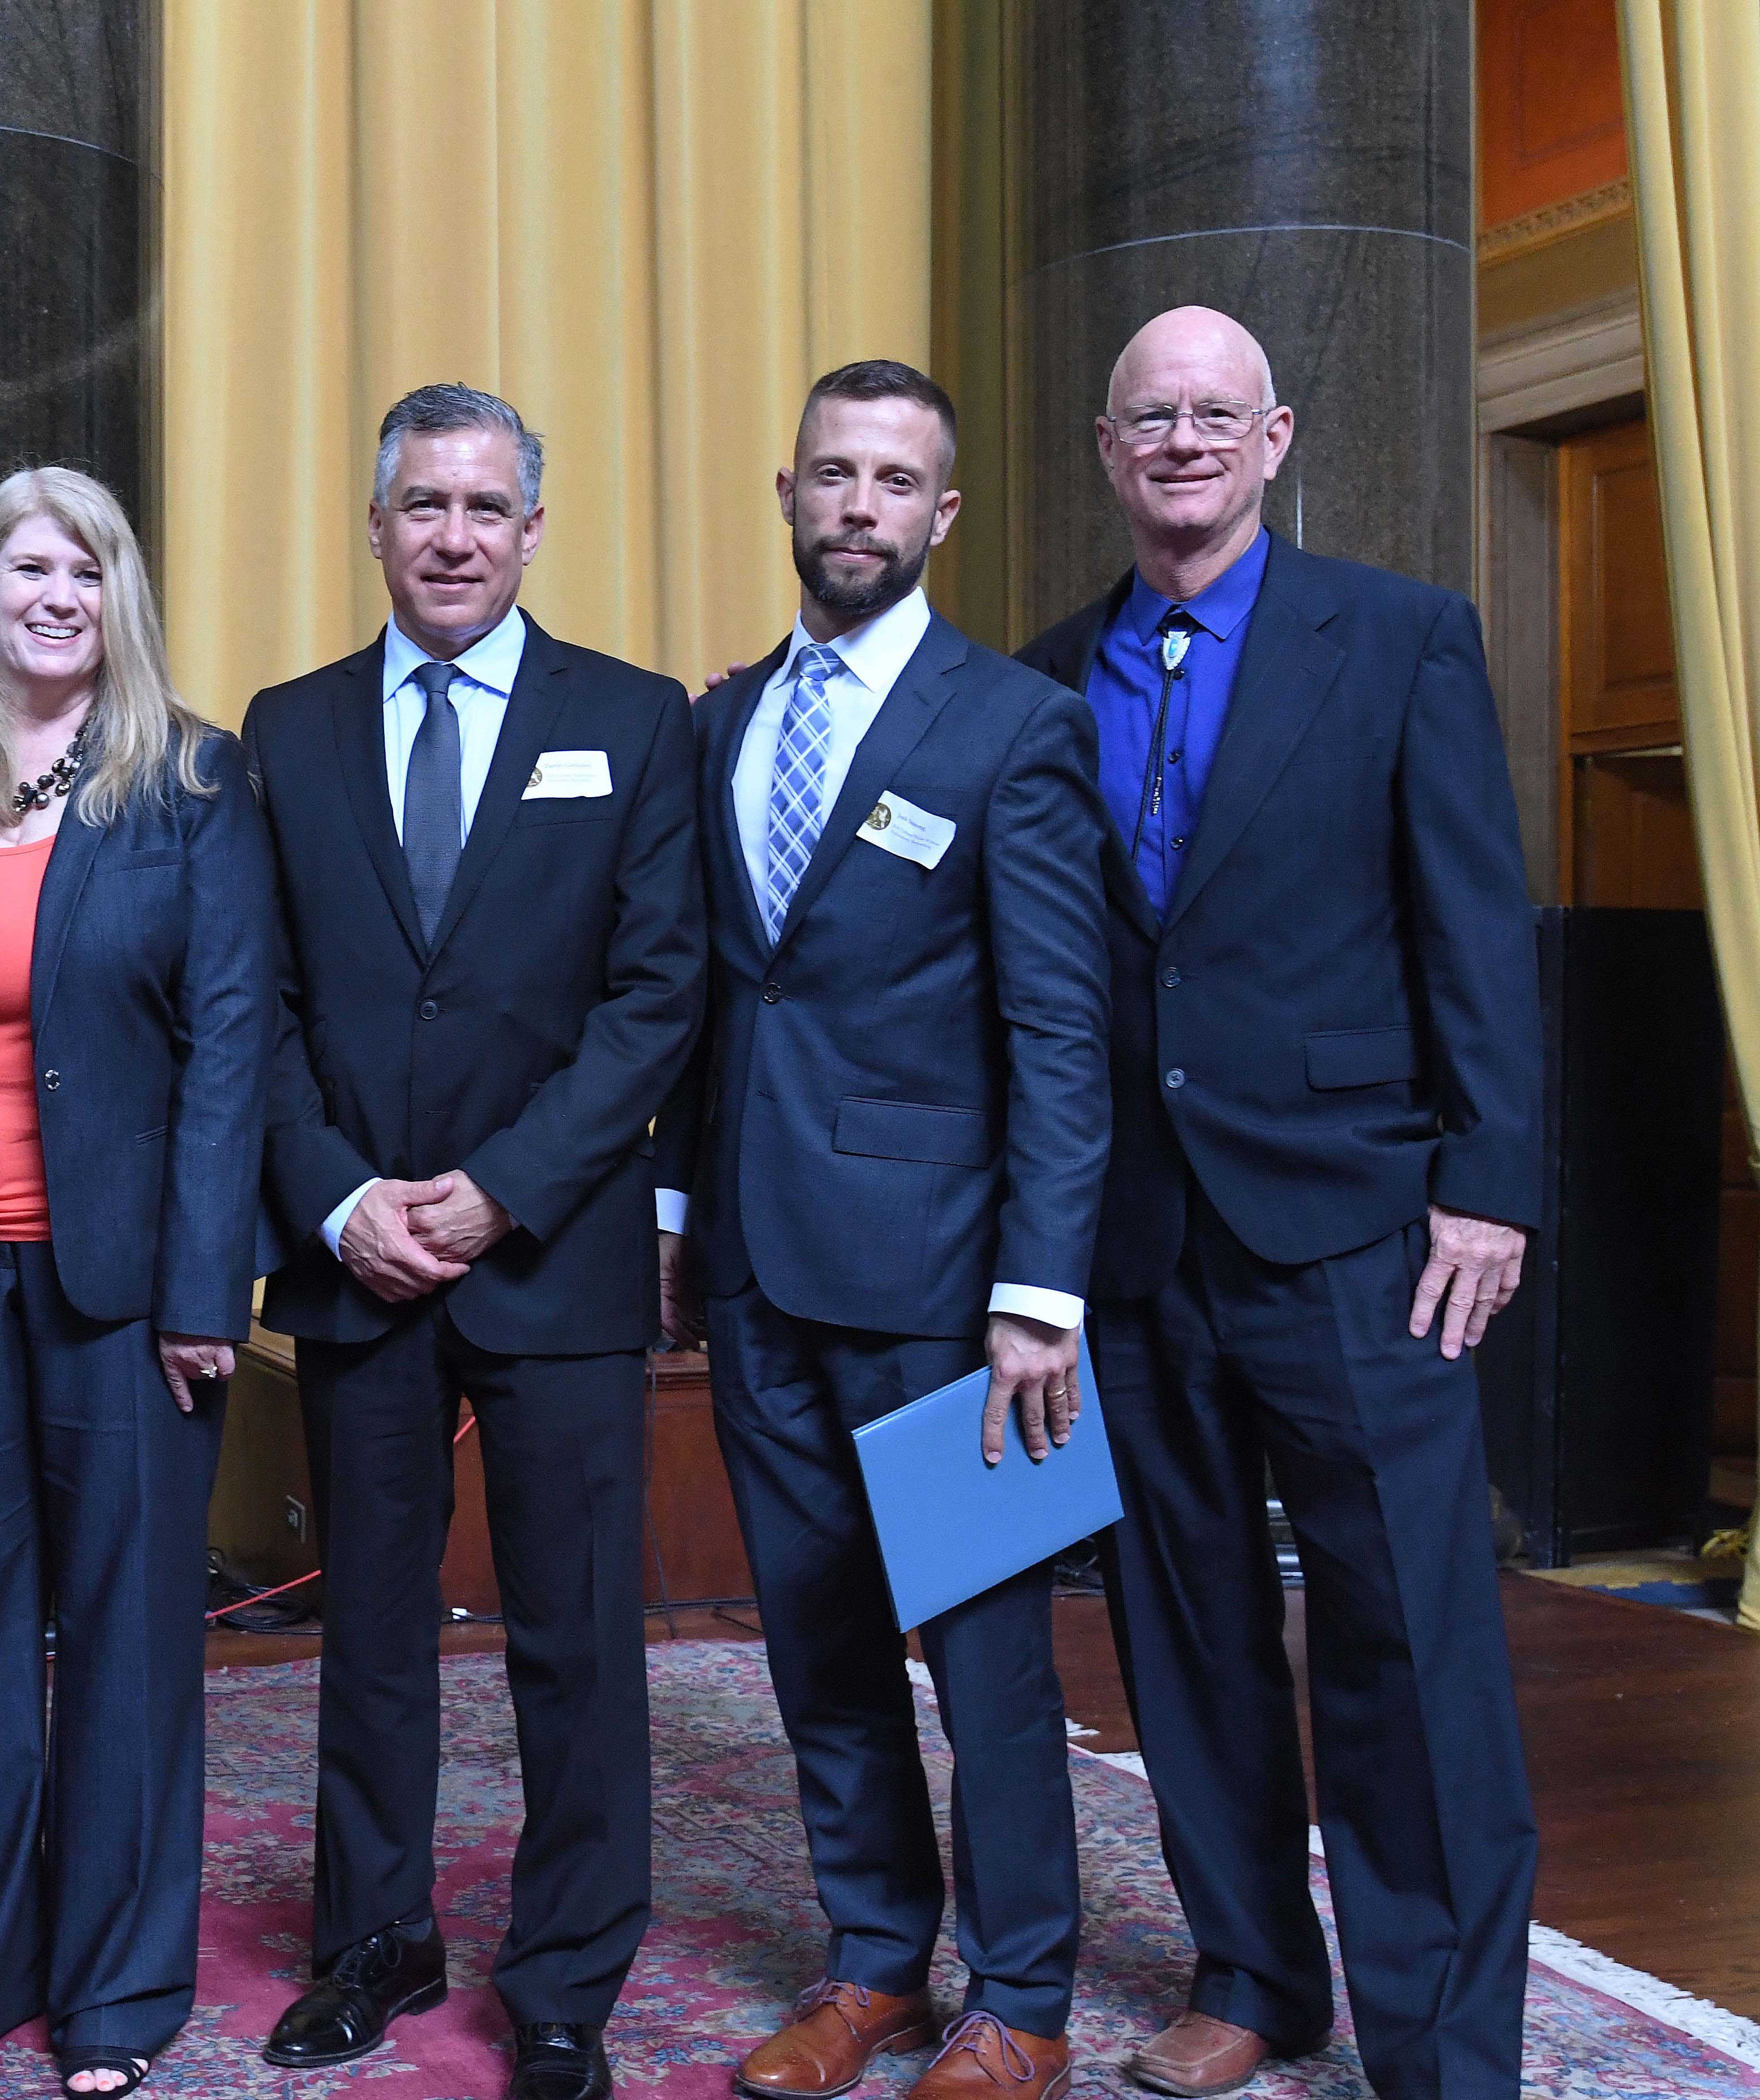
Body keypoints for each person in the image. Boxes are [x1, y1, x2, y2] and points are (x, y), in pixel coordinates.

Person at [1008, 305, 1545, 2100]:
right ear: (1108, 447)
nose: (1179, 441)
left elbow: (1473, 929)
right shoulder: (1040, 675)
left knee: (1407, 1639)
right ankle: (1254, 1974)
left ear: (1276, 436)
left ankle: (1446, 2040)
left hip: (1358, 1229)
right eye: (1147, 415)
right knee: (1186, 1631)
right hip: (1133, 1240)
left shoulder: (1398, 640)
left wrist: (1488, 1184)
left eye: (1212, 415)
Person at [241, 382, 707, 2100]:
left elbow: (662, 994)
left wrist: (505, 1186)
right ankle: (374, 1938)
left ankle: (567, 1976)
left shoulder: (638, 722)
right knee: (369, 1624)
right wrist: (341, 1194)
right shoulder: (282, 733)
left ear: (532, 530)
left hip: (551, 1255)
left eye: (483, 509)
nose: (452, 537)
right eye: (421, 506)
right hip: (357, 1253)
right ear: (375, 525)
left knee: (576, 1636)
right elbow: (258, 1006)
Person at [656, 361, 1112, 2100]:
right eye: (833, 474)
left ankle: (1028, 2002)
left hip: (953, 1287)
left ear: (944, 516)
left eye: (896, 479)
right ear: (787, 494)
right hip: (763, 1270)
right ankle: (875, 1968)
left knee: (986, 1651)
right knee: (819, 1637)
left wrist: (1040, 1292)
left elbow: (1062, 1032)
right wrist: (684, 1221)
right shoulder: (720, 726)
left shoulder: (1016, 727)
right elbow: (713, 997)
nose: (860, 506)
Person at [0, 465, 276, 2099]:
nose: (59, 596)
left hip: (121, 1287)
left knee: (126, 1637)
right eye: (29, 566)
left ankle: (114, 1992)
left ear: (122, 600)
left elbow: (231, 1041)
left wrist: (201, 1290)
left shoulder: (190, 779)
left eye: (89, 572)